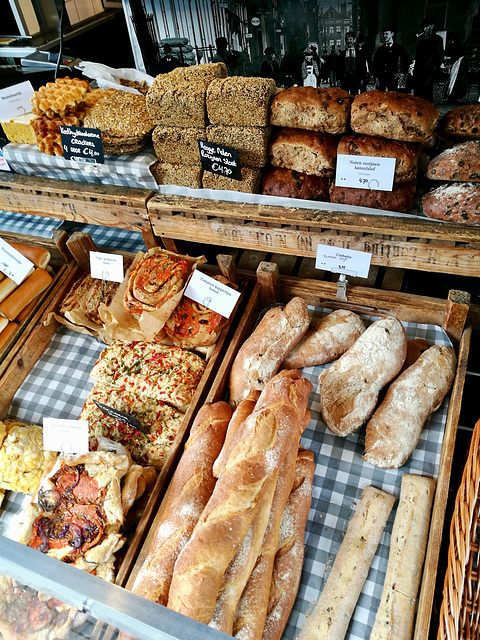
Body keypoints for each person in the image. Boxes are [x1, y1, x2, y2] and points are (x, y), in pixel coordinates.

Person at [412, 17, 444, 102]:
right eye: (424, 27)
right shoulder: (421, 43)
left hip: (430, 74)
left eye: (427, 27)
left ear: (432, 26)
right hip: (419, 75)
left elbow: (439, 57)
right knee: (418, 99)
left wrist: (431, 74)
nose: (425, 29)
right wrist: (415, 74)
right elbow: (418, 60)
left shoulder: (437, 40)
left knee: (428, 99)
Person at [372, 26, 411, 91]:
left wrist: (402, 72)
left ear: (392, 34)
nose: (385, 36)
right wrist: (376, 77)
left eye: (387, 34)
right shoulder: (380, 50)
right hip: (382, 79)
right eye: (384, 34)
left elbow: (407, 60)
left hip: (393, 78)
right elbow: (375, 63)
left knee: (392, 98)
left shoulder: (398, 48)